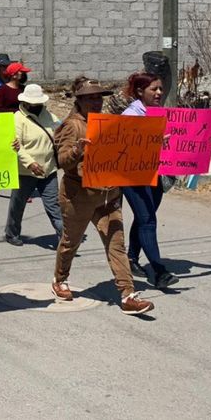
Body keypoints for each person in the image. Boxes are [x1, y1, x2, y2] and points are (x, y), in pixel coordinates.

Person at [51, 77, 154, 316]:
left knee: (116, 245)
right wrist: (78, 149)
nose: (96, 101)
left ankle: (128, 295)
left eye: (99, 97)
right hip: (79, 196)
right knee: (70, 241)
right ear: (80, 100)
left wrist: (153, 144)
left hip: (109, 194)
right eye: (90, 97)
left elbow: (128, 150)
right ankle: (60, 279)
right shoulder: (72, 126)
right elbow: (62, 161)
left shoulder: (109, 123)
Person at [120, 72, 177, 289]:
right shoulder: (131, 115)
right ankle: (159, 272)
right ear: (140, 92)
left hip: (156, 174)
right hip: (133, 176)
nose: (159, 93)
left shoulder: (159, 113)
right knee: (148, 220)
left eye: (161, 88)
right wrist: (152, 142)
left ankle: (132, 258)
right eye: (154, 89)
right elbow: (123, 149)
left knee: (145, 218)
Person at [4, 84, 63, 246]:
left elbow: (61, 131)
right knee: (18, 204)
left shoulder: (50, 116)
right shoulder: (18, 118)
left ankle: (64, 236)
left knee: (54, 205)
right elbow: (16, 146)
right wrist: (30, 163)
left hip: (48, 170)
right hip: (25, 172)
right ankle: (12, 233)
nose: (37, 106)